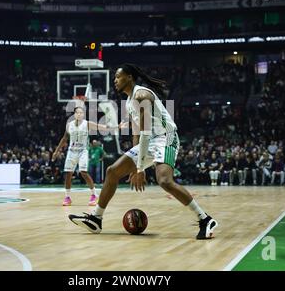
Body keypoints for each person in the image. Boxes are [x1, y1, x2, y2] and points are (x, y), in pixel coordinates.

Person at [69, 63, 218, 240]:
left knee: (164, 181)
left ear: (130, 77)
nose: (115, 80)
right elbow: (137, 133)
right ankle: (96, 218)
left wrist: (139, 169)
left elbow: (146, 133)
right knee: (112, 172)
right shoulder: (129, 102)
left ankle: (205, 219)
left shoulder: (141, 95)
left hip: (166, 138)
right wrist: (134, 165)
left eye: (118, 77)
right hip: (149, 140)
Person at [52, 106, 116, 206]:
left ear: (83, 114)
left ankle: (94, 195)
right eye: (77, 112)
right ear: (74, 114)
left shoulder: (87, 124)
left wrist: (117, 127)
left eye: (81, 113)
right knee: (68, 174)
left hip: (83, 151)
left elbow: (101, 127)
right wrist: (56, 151)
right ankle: (67, 197)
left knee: (83, 172)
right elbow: (64, 139)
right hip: (71, 151)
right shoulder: (69, 125)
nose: (79, 114)